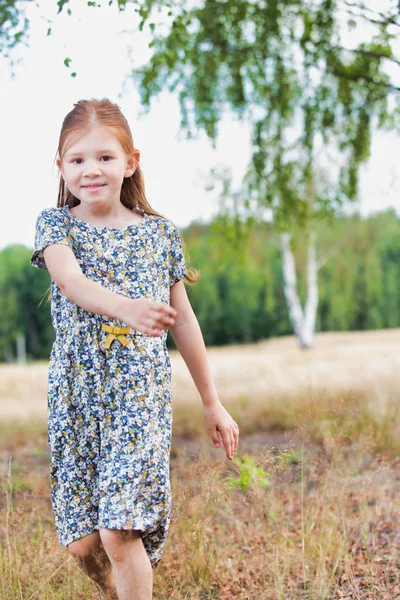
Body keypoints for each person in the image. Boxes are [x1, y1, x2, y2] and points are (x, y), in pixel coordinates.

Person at [30, 98, 239, 600]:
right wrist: (127, 308)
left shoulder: (159, 235)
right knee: (84, 543)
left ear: (130, 161)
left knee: (120, 531)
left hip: (137, 401)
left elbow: (184, 320)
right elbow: (71, 280)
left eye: (105, 157)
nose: (91, 170)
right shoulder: (55, 226)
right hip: (76, 400)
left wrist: (212, 401)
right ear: (60, 166)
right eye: (77, 160)